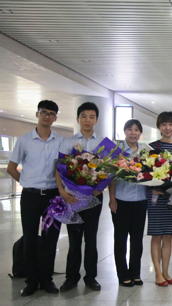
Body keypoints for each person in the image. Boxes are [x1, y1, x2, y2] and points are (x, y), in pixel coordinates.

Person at [7, 100, 64, 296]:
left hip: (53, 199)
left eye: (51, 113)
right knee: (30, 238)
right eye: (43, 112)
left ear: (55, 118)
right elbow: (11, 168)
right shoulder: (24, 140)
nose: (47, 116)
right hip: (30, 198)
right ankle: (31, 281)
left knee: (50, 239)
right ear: (37, 114)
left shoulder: (60, 141)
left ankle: (46, 279)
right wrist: (27, 182)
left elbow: (64, 169)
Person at [57, 102, 104, 292]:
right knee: (74, 240)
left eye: (91, 117)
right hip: (73, 199)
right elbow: (59, 168)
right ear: (78, 119)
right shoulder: (68, 142)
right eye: (83, 116)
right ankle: (71, 277)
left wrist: (101, 187)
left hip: (93, 198)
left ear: (96, 120)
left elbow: (108, 170)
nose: (87, 120)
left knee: (91, 239)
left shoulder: (102, 143)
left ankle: (91, 277)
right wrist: (62, 190)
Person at [108, 119, 147, 287]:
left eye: (137, 129)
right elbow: (110, 176)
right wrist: (112, 199)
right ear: (124, 131)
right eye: (130, 129)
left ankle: (135, 273)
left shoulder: (146, 151)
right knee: (120, 239)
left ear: (140, 132)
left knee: (137, 240)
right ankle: (122, 274)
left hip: (140, 201)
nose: (133, 132)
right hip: (121, 201)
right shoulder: (117, 150)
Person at [147, 112, 172, 287]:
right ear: (159, 126)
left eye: (170, 124)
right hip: (155, 198)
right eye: (164, 124)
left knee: (168, 236)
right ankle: (157, 273)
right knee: (156, 235)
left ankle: (166, 271)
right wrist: (153, 187)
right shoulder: (152, 147)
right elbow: (144, 173)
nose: (167, 128)